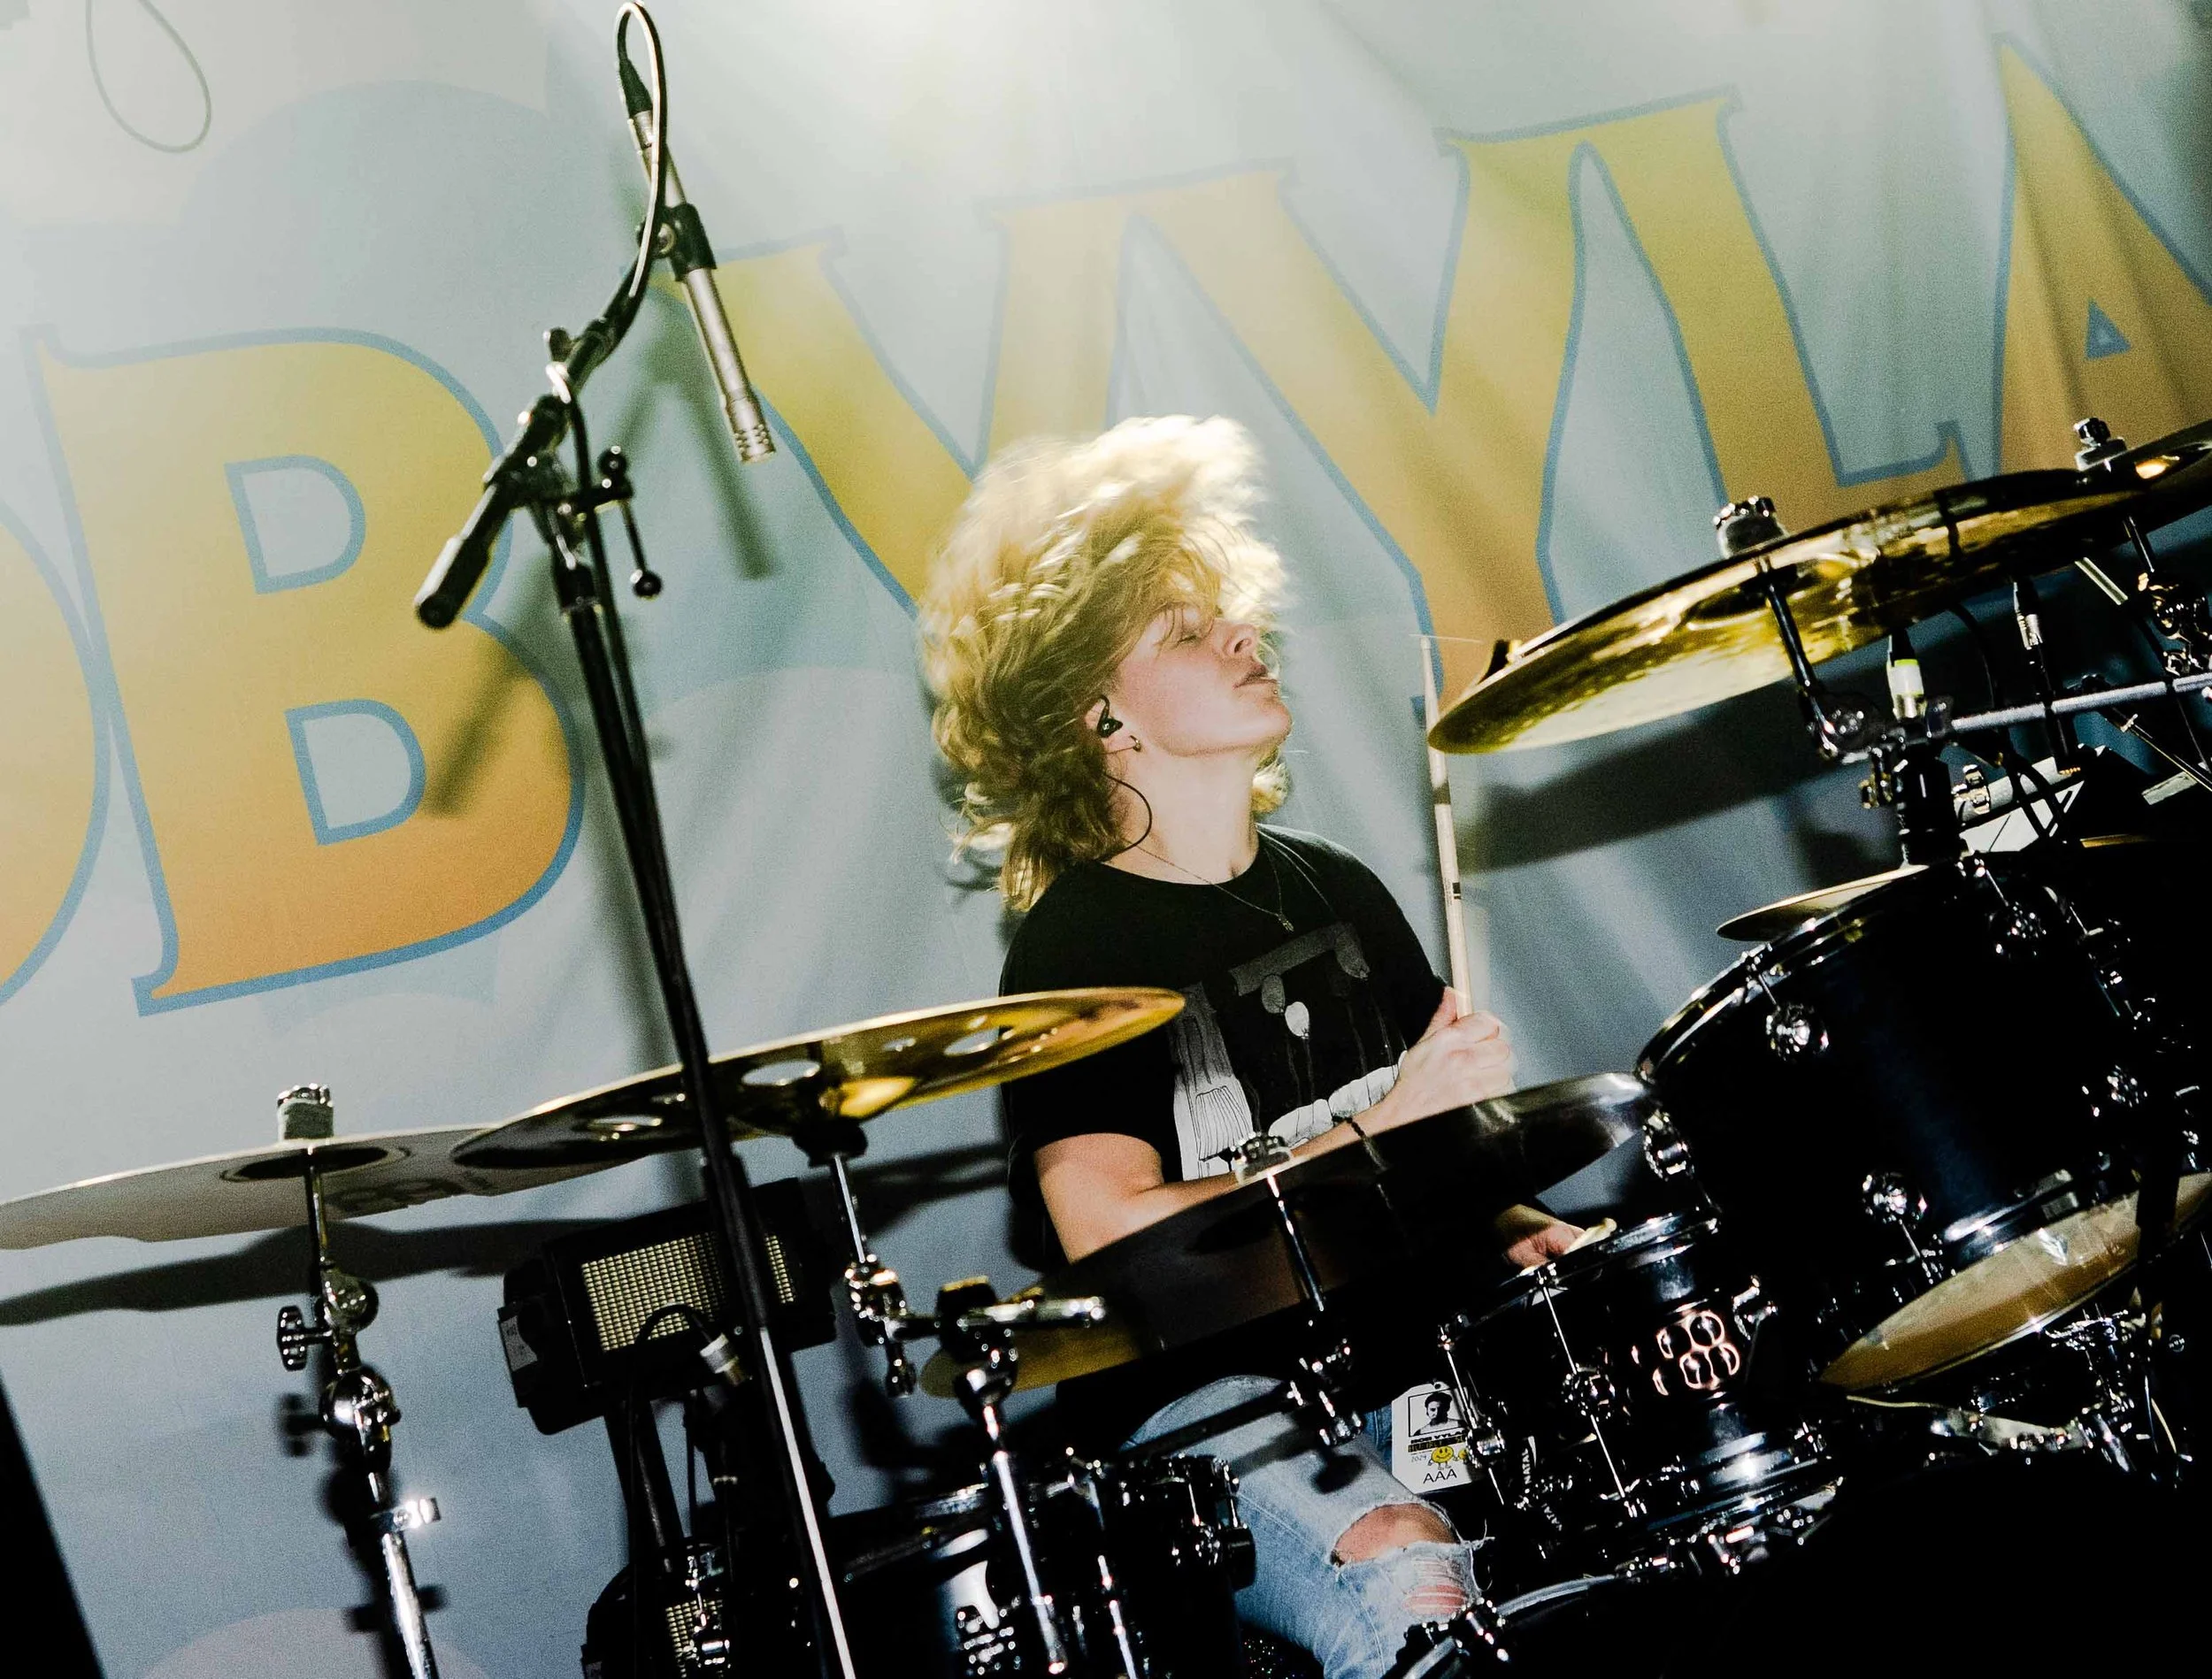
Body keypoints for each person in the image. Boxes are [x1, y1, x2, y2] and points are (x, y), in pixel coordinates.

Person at [919, 416, 1577, 1679]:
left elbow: (1445, 1165)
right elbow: (1105, 1228)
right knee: (1411, 1574)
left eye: (1233, 615)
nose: (1241, 636)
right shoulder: (1078, 946)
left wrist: (1525, 1226)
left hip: (1398, 1364)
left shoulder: (1338, 888)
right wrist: (1380, 1128)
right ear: (1102, 716)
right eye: (1185, 630)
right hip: (1203, 1409)